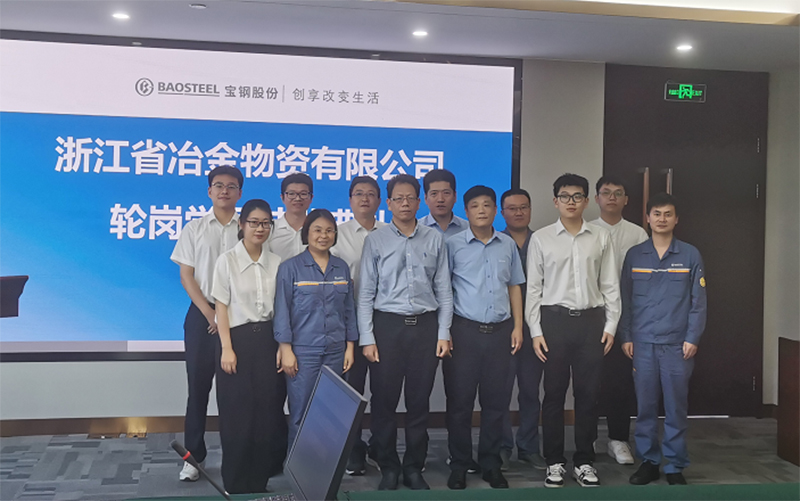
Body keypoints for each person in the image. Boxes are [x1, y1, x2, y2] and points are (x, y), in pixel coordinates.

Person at [358, 173, 453, 491]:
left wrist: (443, 333)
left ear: (419, 201)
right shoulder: (376, 240)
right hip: (387, 327)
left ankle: (413, 467)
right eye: (398, 198)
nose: (405, 203)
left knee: (418, 402)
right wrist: (367, 338)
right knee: (384, 402)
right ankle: (388, 465)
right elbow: (366, 293)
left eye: (411, 197)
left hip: (425, 328)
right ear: (388, 203)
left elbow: (444, 290)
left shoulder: (434, 238)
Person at [526, 173, 620, 488]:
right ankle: (554, 461)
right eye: (565, 196)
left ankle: (584, 461)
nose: (571, 202)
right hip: (553, 323)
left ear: (586, 201)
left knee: (588, 395)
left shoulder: (600, 237)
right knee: (553, 395)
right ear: (555, 201)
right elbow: (534, 290)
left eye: (577, 196)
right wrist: (536, 330)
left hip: (592, 323)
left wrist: (611, 325)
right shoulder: (541, 238)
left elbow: (610, 284)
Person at [620, 193, 707, 486]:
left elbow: (698, 302)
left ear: (676, 219)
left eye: (668, 214)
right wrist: (626, 335)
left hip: (677, 345)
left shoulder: (690, 255)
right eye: (656, 213)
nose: (662, 219)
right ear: (647, 218)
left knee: (675, 407)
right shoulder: (635, 255)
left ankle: (674, 465)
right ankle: (649, 461)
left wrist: (693, 337)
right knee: (645, 407)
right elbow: (625, 299)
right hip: (642, 343)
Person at [444, 186, 525, 490]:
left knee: (496, 403)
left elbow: (514, 285)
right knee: (460, 403)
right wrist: (445, 331)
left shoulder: (507, 245)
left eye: (487, 205)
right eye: (475, 205)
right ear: (466, 211)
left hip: (500, 333)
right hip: (463, 332)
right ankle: (459, 464)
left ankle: (491, 464)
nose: (481, 210)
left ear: (495, 211)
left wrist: (518, 326)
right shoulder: (452, 245)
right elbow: (444, 290)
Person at [170, 165, 243, 482]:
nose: (225, 190)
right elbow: (187, 276)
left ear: (239, 192)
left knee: (235, 393)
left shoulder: (248, 226)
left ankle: (237, 457)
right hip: (202, 315)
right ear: (209, 191)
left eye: (231, 186)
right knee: (198, 390)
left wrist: (226, 315)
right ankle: (194, 458)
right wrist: (209, 313)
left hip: (239, 316)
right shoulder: (194, 228)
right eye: (219, 185)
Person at [212, 199, 288, 494]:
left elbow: (282, 309)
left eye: (266, 223)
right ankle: (234, 483)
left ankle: (258, 482)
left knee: (266, 414)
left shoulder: (277, 262)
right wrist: (226, 348)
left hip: (268, 340)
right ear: (242, 224)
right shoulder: (227, 260)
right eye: (254, 222)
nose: (260, 228)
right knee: (237, 415)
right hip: (237, 342)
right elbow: (221, 306)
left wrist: (282, 345)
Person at [274, 209, 358, 448]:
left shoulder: (341, 267)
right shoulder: (290, 268)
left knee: (331, 413)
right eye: (318, 230)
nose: (324, 236)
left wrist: (350, 347)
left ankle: (325, 467)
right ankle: (298, 468)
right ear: (306, 233)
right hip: (303, 352)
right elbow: (282, 310)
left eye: (329, 231)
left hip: (335, 351)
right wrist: (286, 349)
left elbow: (348, 309)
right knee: (301, 413)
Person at [330, 176, 387, 476]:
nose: (365, 199)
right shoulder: (337, 235)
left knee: (384, 388)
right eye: (359, 194)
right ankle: (353, 450)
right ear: (350, 200)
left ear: (380, 200)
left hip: (385, 320)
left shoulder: (391, 233)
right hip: (347, 323)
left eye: (371, 194)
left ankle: (380, 446)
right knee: (351, 388)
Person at [590, 176, 649, 466]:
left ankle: (617, 439)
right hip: (591, 316)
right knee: (588, 381)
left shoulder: (638, 235)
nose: (612, 197)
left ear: (626, 200)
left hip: (626, 318)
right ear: (596, 199)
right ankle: (587, 437)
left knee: (620, 381)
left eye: (618, 193)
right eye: (606, 193)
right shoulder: (586, 230)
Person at [499, 188, 546, 471]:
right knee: (500, 391)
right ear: (502, 212)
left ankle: (529, 447)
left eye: (523, 207)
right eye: (512, 208)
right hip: (502, 328)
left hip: (536, 328)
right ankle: (502, 447)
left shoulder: (543, 241)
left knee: (530, 390)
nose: (518, 212)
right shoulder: (495, 241)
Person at [269, 172, 313, 262]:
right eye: (291, 194)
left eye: (303, 194)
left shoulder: (317, 230)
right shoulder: (271, 229)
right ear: (282, 197)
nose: (297, 198)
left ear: (311, 198)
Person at [419, 168, 469, 237]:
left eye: (446, 193)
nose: (440, 199)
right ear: (425, 198)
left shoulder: (469, 229)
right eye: (434, 194)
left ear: (455, 196)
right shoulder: (416, 229)